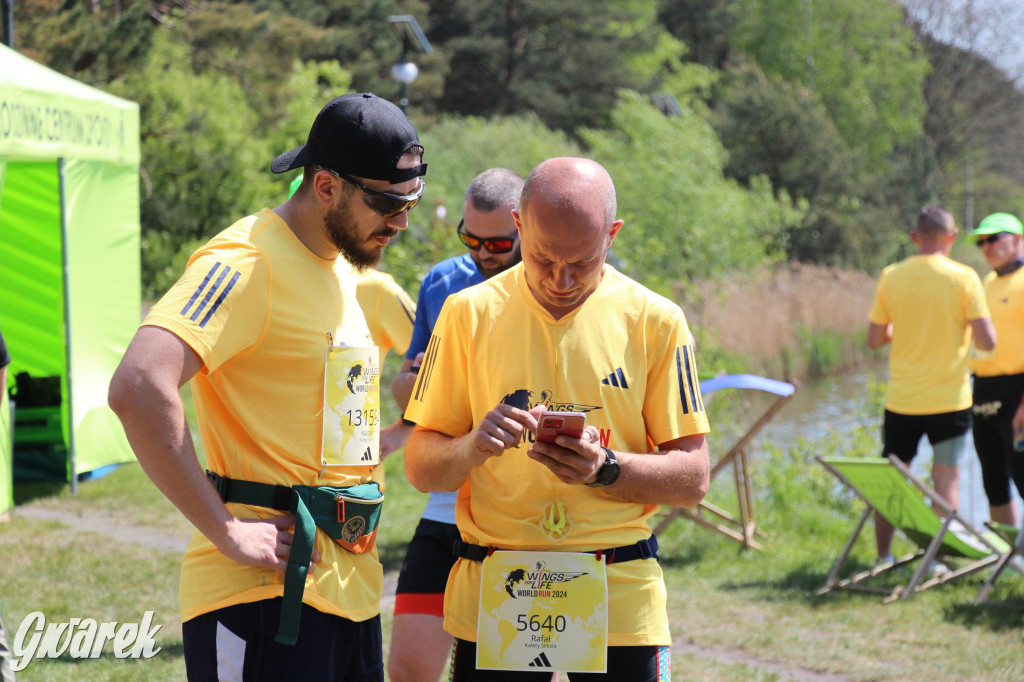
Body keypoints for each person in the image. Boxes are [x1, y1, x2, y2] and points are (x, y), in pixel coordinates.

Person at [108, 92, 426, 681]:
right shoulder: (245, 261)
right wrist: (226, 530)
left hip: (346, 593)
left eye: (410, 200)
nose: (401, 221)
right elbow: (139, 384)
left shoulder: (345, 267)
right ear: (326, 186)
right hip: (263, 597)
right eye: (386, 202)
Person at [403, 157, 711, 680]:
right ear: (519, 227)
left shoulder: (657, 321)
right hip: (500, 584)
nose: (561, 280)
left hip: (618, 586)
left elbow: (693, 477)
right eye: (543, 259)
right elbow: (419, 467)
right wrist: (472, 447)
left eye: (583, 262)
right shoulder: (465, 313)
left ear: (612, 236)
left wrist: (605, 468)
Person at [387, 168, 525, 682]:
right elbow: (405, 393)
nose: (483, 252)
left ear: (523, 227)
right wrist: (420, 382)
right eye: (471, 238)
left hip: (517, 520)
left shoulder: (549, 288)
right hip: (445, 509)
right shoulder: (442, 282)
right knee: (406, 672)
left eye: (497, 242)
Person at [867, 205, 996, 564]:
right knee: (947, 482)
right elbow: (988, 342)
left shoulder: (891, 275)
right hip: (949, 400)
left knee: (893, 480)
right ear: (951, 237)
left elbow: (875, 338)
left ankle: (883, 557)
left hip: (902, 400)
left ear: (915, 237)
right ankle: (936, 563)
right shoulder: (965, 277)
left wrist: (904, 329)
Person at [289, 171, 418, 457]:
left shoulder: (378, 289)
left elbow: (440, 364)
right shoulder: (276, 280)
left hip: (358, 485)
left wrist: (404, 428)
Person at [970, 213, 1024, 526]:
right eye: (982, 241)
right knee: (993, 480)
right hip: (984, 390)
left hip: (1017, 391)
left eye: (994, 238)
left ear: (1018, 239)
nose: (986, 246)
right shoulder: (987, 282)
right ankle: (1011, 561)